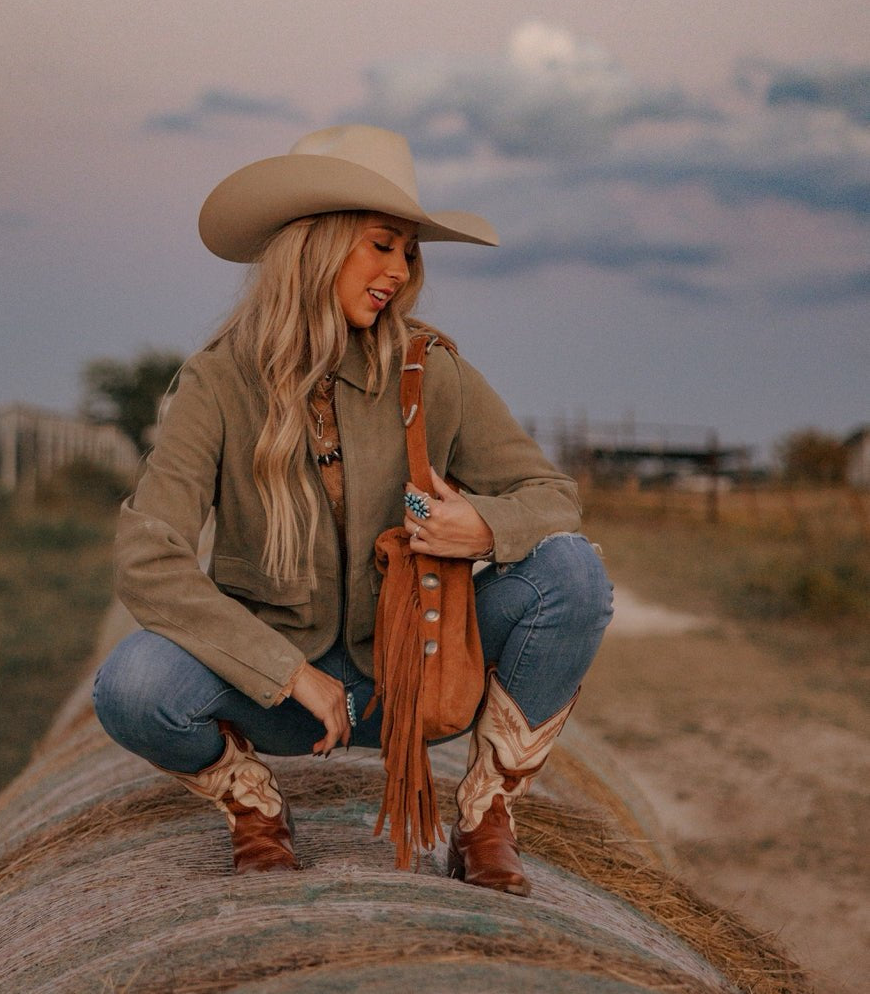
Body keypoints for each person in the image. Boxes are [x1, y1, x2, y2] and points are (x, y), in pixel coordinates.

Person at [93, 124, 613, 894]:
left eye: (408, 252)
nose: (401, 271)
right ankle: (253, 803)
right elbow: (147, 554)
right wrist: (287, 672)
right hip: (279, 693)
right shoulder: (216, 383)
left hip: (413, 675)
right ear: (317, 244)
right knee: (131, 684)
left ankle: (483, 815)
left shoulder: (431, 371)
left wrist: (482, 526)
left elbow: (554, 496)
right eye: (382, 245)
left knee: (573, 571)